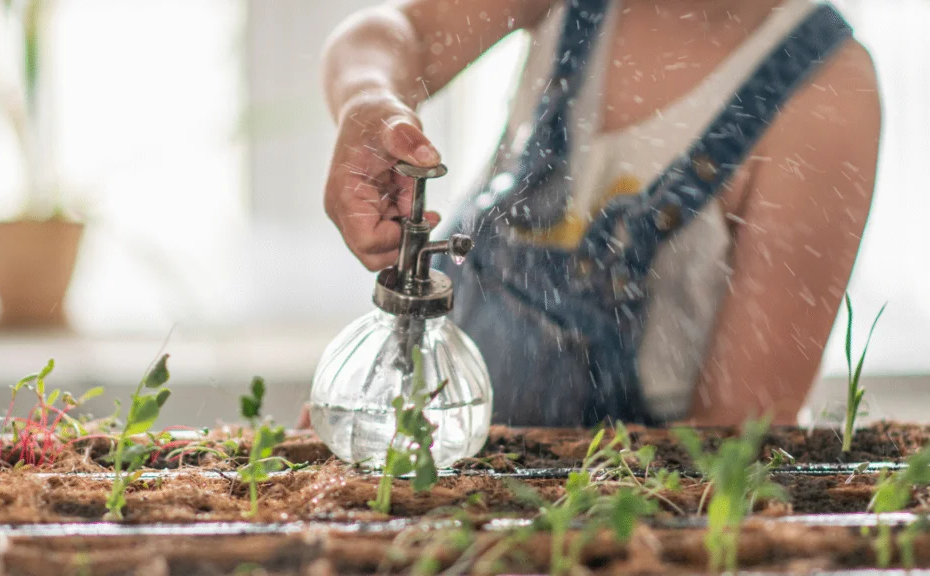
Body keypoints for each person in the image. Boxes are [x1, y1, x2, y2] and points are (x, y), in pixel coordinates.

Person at [318, 0, 881, 428]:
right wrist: (370, 99)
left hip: (626, 507)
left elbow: (739, 438)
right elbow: (400, 33)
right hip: (437, 434)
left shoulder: (827, 94)